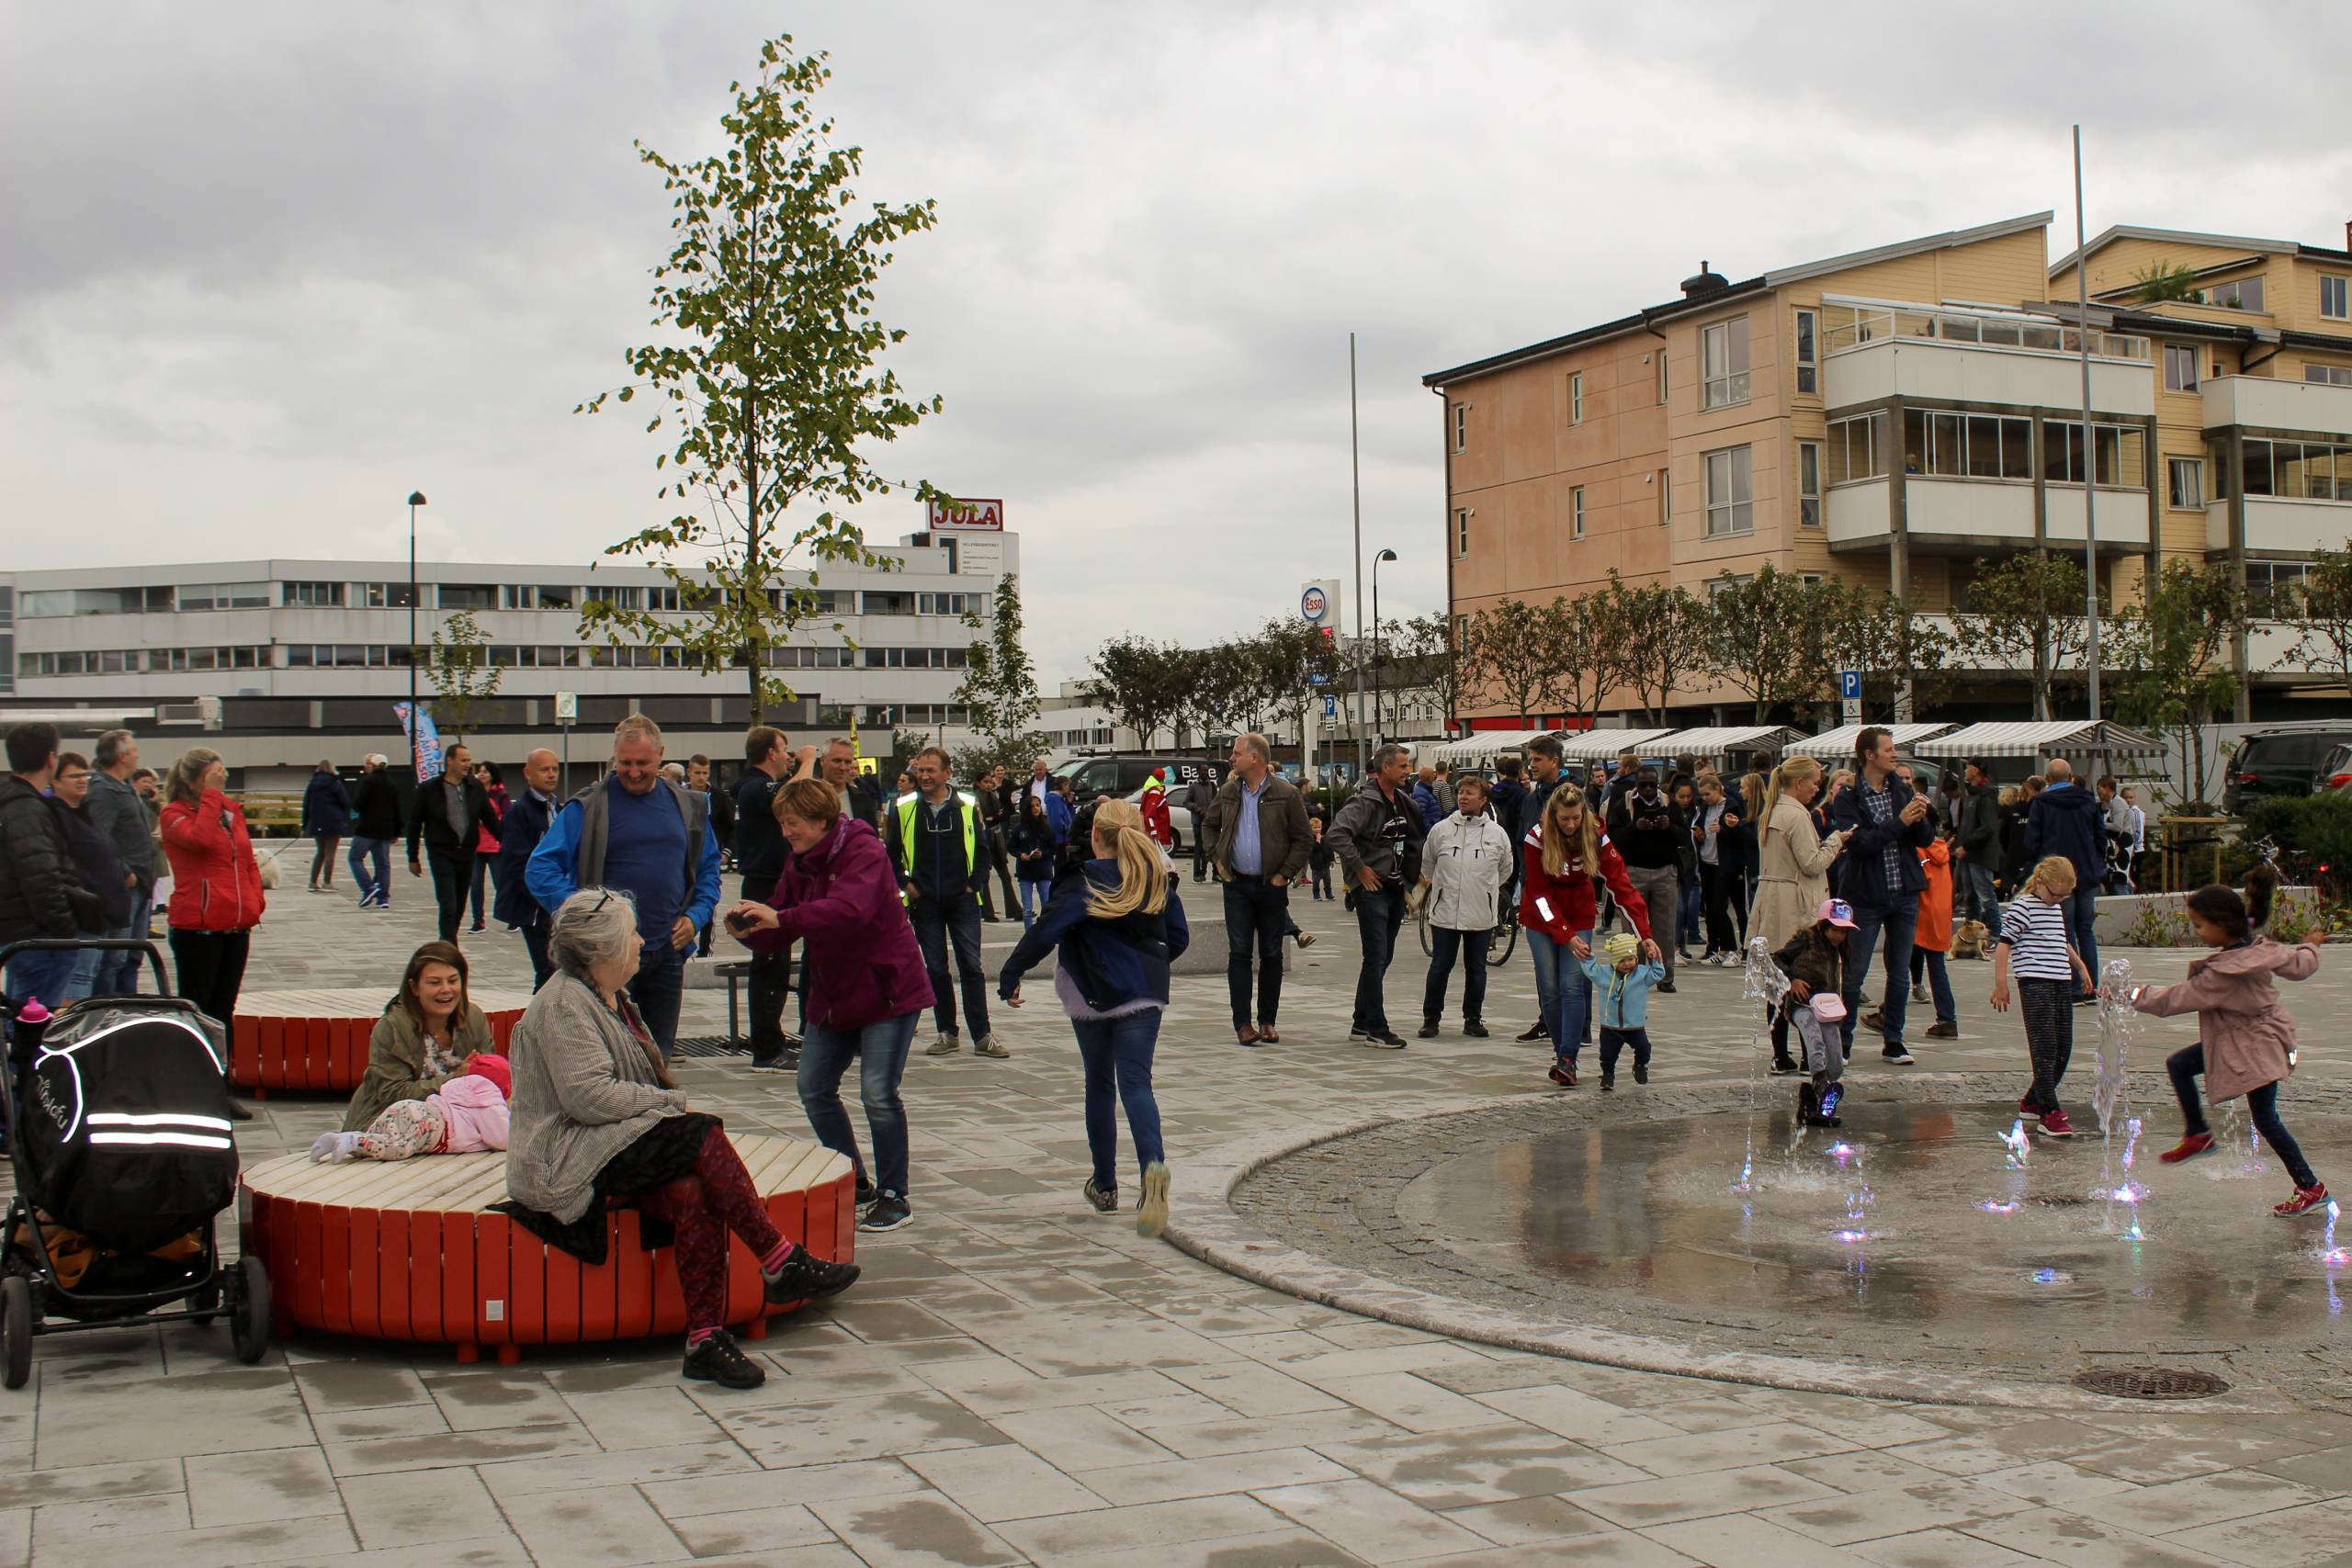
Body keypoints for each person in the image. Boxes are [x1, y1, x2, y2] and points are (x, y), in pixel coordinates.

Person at [501, 887, 860, 1390]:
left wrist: (661, 1107)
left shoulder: (608, 998)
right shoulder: (563, 1004)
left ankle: (705, 1339)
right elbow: (589, 1099)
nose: (640, 941)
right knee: (698, 1133)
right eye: (630, 935)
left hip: (605, 1145)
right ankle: (779, 1260)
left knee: (693, 1190)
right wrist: (670, 1104)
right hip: (563, 1159)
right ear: (601, 950)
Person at [729, 777, 933, 1234]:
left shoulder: (863, 850)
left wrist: (780, 917)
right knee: (814, 1087)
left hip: (887, 990)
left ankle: (895, 1195)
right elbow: (783, 917)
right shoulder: (801, 860)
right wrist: (753, 929)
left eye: (793, 823)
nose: (786, 832)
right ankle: (855, 1180)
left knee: (878, 1095)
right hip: (833, 994)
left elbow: (850, 910)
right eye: (782, 823)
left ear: (821, 821)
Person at [998, 798, 1186, 1234]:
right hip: (1145, 994)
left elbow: (1045, 931)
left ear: (1096, 837)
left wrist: (1012, 973)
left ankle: (1104, 1185)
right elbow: (1178, 937)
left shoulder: (1083, 880)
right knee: (1138, 1086)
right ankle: (1153, 1168)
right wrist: (1151, 966)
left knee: (1099, 1086)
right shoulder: (1157, 876)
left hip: (1092, 995)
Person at [2132, 867, 2329, 1217]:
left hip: (2255, 1048)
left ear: (2223, 925)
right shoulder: (2258, 946)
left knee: (2266, 1118)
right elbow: (2300, 965)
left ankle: (2310, 1186)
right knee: (2180, 1064)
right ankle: (2198, 1134)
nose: (2197, 932)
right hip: (2251, 1040)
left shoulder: (2225, 973)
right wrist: (2311, 946)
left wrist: (2131, 994)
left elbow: (2175, 999)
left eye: (2200, 925)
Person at [526, 716, 724, 1057]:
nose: (633, 772)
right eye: (625, 763)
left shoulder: (689, 807)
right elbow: (539, 868)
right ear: (614, 758)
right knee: (604, 1060)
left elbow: (708, 869)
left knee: (657, 1059)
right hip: (604, 958)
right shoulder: (586, 808)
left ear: (661, 755)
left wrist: (696, 916)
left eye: (642, 763)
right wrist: (586, 917)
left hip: (666, 953)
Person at [1521, 784, 1654, 1088]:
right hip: (1541, 915)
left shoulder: (1595, 835)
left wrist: (1644, 934)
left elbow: (1621, 885)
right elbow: (1539, 894)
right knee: (1550, 987)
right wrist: (1564, 933)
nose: (1570, 825)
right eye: (1564, 819)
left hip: (1579, 911)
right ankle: (1560, 1051)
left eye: (1575, 818)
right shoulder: (1536, 838)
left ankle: (1568, 1057)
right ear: (1553, 816)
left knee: (1572, 984)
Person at [160, 746, 261, 1119]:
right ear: (193, 779)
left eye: (223, 774)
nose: (222, 779)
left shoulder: (229, 813)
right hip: (197, 928)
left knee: (223, 1011)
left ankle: (219, 1085)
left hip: (235, 924)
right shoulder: (174, 814)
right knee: (198, 1010)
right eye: (214, 774)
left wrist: (254, 900)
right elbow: (200, 841)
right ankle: (193, 1087)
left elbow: (247, 858)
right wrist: (211, 797)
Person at [887, 747, 1004, 1059]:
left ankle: (982, 1034)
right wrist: (907, 885)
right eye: (920, 770)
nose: (924, 776)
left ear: (947, 773)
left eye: (931, 770)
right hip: (924, 902)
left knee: (971, 966)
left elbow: (983, 850)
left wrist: (973, 885)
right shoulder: (903, 807)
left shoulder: (967, 804)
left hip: (962, 899)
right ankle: (947, 1033)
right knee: (936, 968)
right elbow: (891, 852)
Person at [1828, 728, 1935, 1066]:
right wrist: (1900, 822)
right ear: (1869, 755)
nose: (1895, 753)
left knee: (1900, 971)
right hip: (1865, 896)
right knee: (1855, 971)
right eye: (1888, 749)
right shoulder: (1849, 797)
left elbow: (1925, 839)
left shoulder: (1901, 790)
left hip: (1903, 891)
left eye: (1894, 748)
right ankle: (1843, 1042)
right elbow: (1859, 845)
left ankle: (1894, 1040)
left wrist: (1920, 817)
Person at [1200, 732, 1312, 1048]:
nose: (1231, 758)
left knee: (1272, 952)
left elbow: (1303, 838)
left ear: (1256, 758)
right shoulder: (1229, 790)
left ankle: (1267, 1020)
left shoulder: (1285, 793)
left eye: (1237, 753)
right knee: (1239, 952)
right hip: (1237, 884)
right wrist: (1218, 863)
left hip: (1270, 885)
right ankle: (1242, 1024)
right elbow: (1208, 825)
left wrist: (1284, 874)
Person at [1327, 744, 1429, 1049]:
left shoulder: (1403, 802)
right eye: (1401, 766)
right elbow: (1336, 834)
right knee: (1376, 957)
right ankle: (1376, 1028)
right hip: (1371, 890)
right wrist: (1359, 869)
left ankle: (1361, 1021)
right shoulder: (1364, 803)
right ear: (1385, 768)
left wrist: (1414, 878)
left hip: (1395, 887)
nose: (1407, 770)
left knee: (1383, 958)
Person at [339, 940, 496, 1132]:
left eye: (453, 981)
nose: (446, 989)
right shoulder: (393, 1027)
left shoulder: (473, 1018)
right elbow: (393, 1094)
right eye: (434, 982)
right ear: (414, 988)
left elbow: (490, 1077)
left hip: (459, 1129)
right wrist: (455, 1079)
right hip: (388, 1128)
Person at [1990, 855, 2095, 1138]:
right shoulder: (2023, 907)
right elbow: (2003, 946)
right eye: (2055, 894)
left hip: (2060, 979)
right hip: (2035, 981)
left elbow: (2062, 941)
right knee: (2045, 1046)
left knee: (2063, 1046)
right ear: (2040, 882)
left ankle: (2033, 1099)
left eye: (2064, 896)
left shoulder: (2054, 908)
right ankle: (2049, 1110)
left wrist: (2081, 967)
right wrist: (2002, 984)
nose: (2058, 900)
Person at [2, 725, 101, 1020]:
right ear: (50, 759)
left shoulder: (13, 803)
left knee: (19, 1019)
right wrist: (64, 931)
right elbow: (40, 877)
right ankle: (30, 1066)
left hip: (18, 932)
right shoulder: (27, 809)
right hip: (37, 936)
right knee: (34, 1026)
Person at [1414, 774, 1512, 1039]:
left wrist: (1484, 890)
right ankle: (1431, 1018)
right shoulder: (1441, 830)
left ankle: (1473, 1018)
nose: (1463, 797)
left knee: (1476, 968)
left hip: (1481, 913)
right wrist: (1441, 889)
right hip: (1445, 913)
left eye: (1470, 793)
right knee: (1439, 967)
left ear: (1483, 799)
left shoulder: (1497, 834)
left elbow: (1505, 870)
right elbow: (1428, 865)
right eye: (1461, 792)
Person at [732, 728, 808, 1071]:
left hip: (777, 883)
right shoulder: (753, 787)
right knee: (769, 965)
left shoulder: (759, 787)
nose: (789, 756)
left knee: (776, 965)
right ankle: (766, 1048)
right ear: (771, 753)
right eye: (785, 749)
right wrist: (808, 762)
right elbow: (793, 794)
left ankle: (771, 1042)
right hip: (763, 885)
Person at [313, 1053, 512, 1163]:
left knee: (382, 1137)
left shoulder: (460, 1088)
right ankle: (352, 1140)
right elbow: (503, 1138)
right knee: (396, 1147)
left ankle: (339, 1140)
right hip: (431, 1126)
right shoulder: (488, 1101)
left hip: (413, 1108)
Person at [2023, 758, 2106, 1004]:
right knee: (2085, 928)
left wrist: (2036, 867)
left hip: (2057, 875)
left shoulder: (2041, 802)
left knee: (2064, 930)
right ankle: (2091, 985)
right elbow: (2100, 836)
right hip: (2087, 871)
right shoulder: (2088, 800)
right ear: (2071, 777)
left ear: (2047, 779)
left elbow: (2032, 840)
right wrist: (2097, 861)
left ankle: (2073, 985)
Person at [51, 754, 131, 1002]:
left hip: (105, 909)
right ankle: (72, 1031)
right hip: (83, 912)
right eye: (74, 775)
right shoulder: (56, 816)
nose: (82, 780)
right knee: (79, 976)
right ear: (54, 781)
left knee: (99, 971)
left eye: (85, 774)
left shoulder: (84, 813)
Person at [85, 730, 157, 996]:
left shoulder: (125, 788)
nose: (138, 755)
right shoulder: (103, 789)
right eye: (134, 750)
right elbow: (97, 836)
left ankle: (129, 1007)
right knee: (113, 958)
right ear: (122, 756)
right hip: (123, 887)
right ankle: (108, 1013)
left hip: (141, 884)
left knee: (132, 956)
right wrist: (125, 873)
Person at [1773, 899, 1857, 1128]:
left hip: (1829, 1008)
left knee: (1836, 1061)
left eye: (1844, 931)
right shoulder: (1806, 939)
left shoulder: (1841, 948)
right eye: (1835, 930)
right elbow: (1776, 958)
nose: (1839, 936)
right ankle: (1820, 1086)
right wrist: (1793, 980)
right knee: (1814, 1041)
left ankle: (1812, 1100)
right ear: (1823, 924)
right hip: (1803, 1004)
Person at [1871, 829, 1960, 1042]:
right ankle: (1947, 1020)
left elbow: (1911, 880)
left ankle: (1887, 1014)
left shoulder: (1916, 850)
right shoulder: (1939, 847)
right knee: (1936, 966)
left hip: (1919, 913)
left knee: (1898, 966)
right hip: (1940, 913)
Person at [1608, 768, 1687, 994]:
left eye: (1652, 785)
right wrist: (1635, 827)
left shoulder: (1669, 804)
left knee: (1665, 927)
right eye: (1643, 785)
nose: (1649, 790)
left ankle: (1665, 976)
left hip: (1664, 871)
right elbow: (1613, 837)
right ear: (1636, 785)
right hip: (1634, 872)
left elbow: (1684, 837)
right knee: (1632, 927)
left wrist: (1667, 826)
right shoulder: (1624, 805)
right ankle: (1633, 974)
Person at [1512, 736, 1570, 1043]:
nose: (1531, 766)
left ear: (1554, 762)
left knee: (1571, 968)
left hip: (1568, 893)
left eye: (1537, 760)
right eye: (1530, 760)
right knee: (1545, 966)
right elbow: (1522, 842)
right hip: (1536, 893)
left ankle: (1575, 1027)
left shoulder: (1571, 796)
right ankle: (1548, 1019)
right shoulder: (1531, 799)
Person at [406, 740, 490, 945]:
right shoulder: (429, 789)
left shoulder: (474, 787)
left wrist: (504, 842)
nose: (467, 764)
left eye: (469, 760)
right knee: (448, 902)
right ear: (449, 761)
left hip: (467, 853)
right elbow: (415, 824)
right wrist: (412, 857)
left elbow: (489, 817)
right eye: (463, 760)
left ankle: (449, 939)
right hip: (441, 852)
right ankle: (448, 943)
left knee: (460, 903)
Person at [495, 750, 561, 989]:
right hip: (535, 906)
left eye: (555, 769)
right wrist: (541, 898)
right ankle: (537, 1021)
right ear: (528, 773)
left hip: (555, 901)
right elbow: (516, 863)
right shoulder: (520, 812)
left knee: (556, 969)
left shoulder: (556, 807)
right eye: (544, 769)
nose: (551, 774)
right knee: (547, 970)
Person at [1580, 931, 1664, 1092]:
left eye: (1631, 959)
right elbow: (1590, 970)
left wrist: (1654, 959)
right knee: (1607, 1055)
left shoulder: (1642, 974)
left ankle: (1640, 1066)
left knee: (1644, 1047)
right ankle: (1607, 1074)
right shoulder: (1604, 974)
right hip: (1610, 1026)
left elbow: (1658, 974)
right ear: (1614, 961)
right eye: (1622, 960)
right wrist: (1588, 956)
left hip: (1635, 1026)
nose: (1627, 964)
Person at [1693, 775, 1740, 964]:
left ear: (1718, 789)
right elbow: (1700, 825)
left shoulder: (1731, 806)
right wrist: (1699, 834)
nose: (1705, 798)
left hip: (1723, 863)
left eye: (1708, 794)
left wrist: (1724, 829)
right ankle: (1714, 947)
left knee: (1719, 907)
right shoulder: (1704, 807)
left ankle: (1731, 948)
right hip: (1706, 860)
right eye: (1702, 794)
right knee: (1710, 908)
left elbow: (1739, 832)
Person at [348, 753, 401, 909]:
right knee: (383, 864)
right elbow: (397, 810)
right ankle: (383, 898)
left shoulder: (368, 782)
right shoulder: (392, 785)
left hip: (367, 829)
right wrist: (396, 832)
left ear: (373, 765)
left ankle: (368, 887)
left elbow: (358, 804)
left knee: (355, 858)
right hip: (385, 831)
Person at [1955, 759, 2002, 933]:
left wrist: (1966, 846)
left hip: (1980, 855)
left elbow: (1987, 827)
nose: (1966, 770)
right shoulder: (1971, 795)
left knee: (1986, 896)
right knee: (1971, 897)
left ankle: (1996, 934)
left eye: (1968, 767)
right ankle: (1971, 934)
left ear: (1975, 770)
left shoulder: (1985, 795)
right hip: (1969, 854)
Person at [1009, 793, 1060, 928]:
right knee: (1027, 909)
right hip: (1025, 871)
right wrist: (1021, 855)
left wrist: (1042, 854)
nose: (1036, 809)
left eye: (1038, 805)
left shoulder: (1046, 827)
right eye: (1032, 806)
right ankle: (1029, 935)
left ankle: (1046, 932)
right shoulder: (1020, 829)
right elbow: (1011, 847)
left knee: (1046, 905)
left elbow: (1054, 848)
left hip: (1043, 870)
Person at [976, 765, 1019, 923]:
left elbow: (1001, 814)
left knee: (1005, 876)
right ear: (979, 783)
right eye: (985, 782)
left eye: (989, 782)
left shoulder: (993, 796)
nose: (988, 785)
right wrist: (993, 817)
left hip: (996, 839)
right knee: (984, 878)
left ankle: (1015, 910)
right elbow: (982, 819)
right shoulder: (977, 799)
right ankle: (987, 912)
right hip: (985, 840)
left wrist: (993, 817)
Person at [301, 760, 351, 894]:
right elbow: (345, 802)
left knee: (320, 852)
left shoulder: (312, 784)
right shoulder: (335, 783)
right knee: (330, 853)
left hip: (317, 822)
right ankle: (327, 882)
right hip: (333, 821)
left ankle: (312, 882)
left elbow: (306, 805)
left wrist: (305, 825)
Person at [468, 761, 506, 935]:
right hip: (476, 845)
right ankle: (478, 921)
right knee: (475, 884)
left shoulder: (501, 795)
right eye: (479, 772)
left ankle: (512, 917)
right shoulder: (472, 793)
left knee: (501, 883)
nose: (481, 774)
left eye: (485, 772)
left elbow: (506, 817)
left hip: (494, 845)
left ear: (492, 774)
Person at [821, 738, 887, 829]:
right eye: (837, 761)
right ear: (822, 761)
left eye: (848, 762)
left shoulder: (864, 798)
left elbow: (871, 836)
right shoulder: (809, 796)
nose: (842, 767)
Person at [2097, 774, 2134, 895]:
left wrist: (2099, 824)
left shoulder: (2117, 802)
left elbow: (2118, 827)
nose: (2098, 792)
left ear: (2108, 788)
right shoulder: (2110, 803)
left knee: (2119, 877)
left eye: (2100, 788)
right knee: (2113, 877)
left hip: (2122, 846)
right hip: (2115, 847)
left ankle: (2125, 900)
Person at [1179, 770, 1217, 882]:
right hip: (1198, 821)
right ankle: (1197, 874)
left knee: (1212, 846)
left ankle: (1214, 874)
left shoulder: (1212, 785)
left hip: (1210, 821)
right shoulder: (1193, 787)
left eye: (1207, 770)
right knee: (1199, 847)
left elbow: (1216, 800)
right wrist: (1196, 808)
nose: (1205, 772)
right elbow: (1186, 802)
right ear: (1198, 772)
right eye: (1203, 770)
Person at [1139, 769, 1174, 851]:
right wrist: (1153, 830)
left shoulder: (1152, 789)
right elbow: (1149, 814)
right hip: (1157, 831)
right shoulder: (1155, 792)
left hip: (1157, 830)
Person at [1307, 815, 1335, 901]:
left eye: (1319, 827)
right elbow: (1314, 850)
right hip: (1316, 865)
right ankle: (1316, 894)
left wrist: (1332, 859)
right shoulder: (1310, 839)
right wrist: (1317, 841)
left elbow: (1328, 849)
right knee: (1316, 881)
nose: (1317, 829)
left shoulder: (1324, 838)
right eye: (1315, 828)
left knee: (1327, 881)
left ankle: (1328, 894)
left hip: (1325, 864)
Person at [1410, 765, 1443, 831]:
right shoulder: (1420, 793)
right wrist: (1429, 830)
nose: (1434, 776)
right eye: (1432, 774)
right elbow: (1421, 815)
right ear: (1428, 777)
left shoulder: (1425, 790)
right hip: (1429, 830)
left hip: (1434, 826)